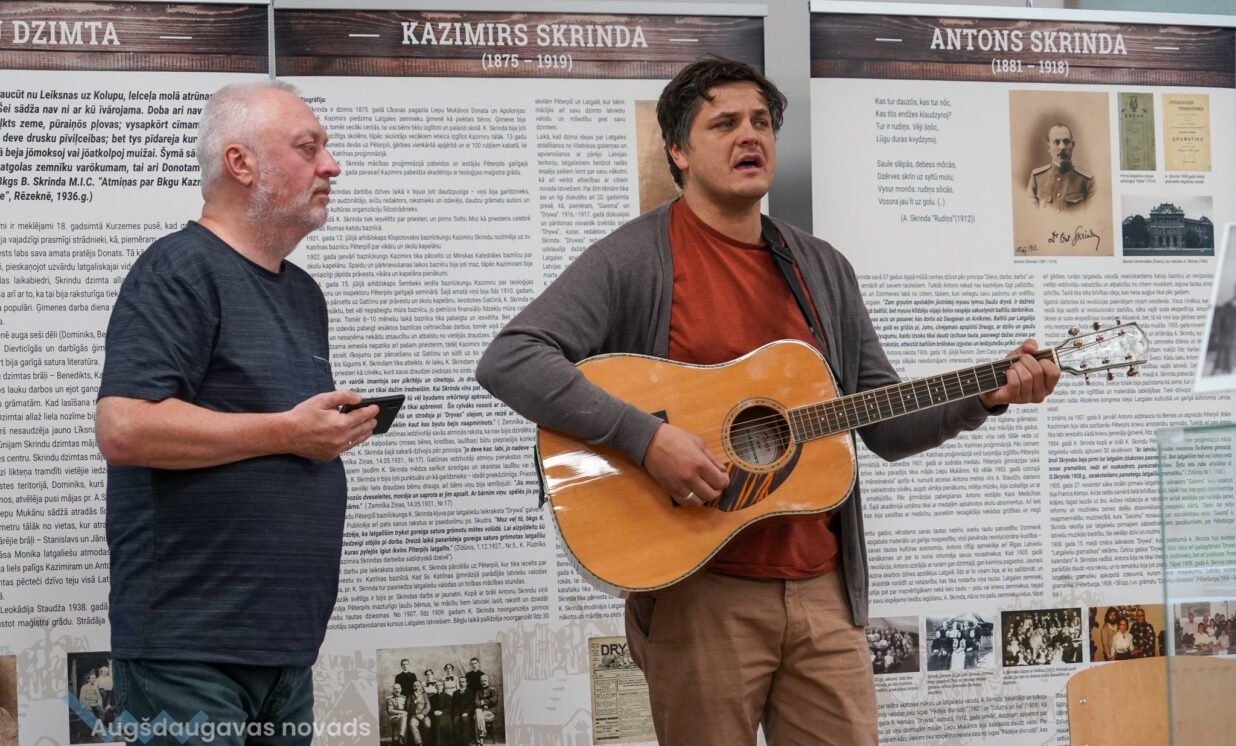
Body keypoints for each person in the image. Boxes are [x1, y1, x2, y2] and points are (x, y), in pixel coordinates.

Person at [475, 58, 1058, 745]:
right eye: (724, 124)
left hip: (823, 591)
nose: (749, 136)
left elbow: (882, 422)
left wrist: (982, 397)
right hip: (700, 593)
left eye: (760, 122)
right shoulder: (634, 259)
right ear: (679, 152)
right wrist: (647, 439)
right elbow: (512, 358)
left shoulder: (821, 268)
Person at [95, 79, 377, 741]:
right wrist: (289, 432)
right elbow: (125, 427)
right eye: (308, 148)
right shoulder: (178, 269)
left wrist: (315, 433)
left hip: (282, 654)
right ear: (240, 163)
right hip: (189, 655)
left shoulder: (302, 292)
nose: (331, 166)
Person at [1028, 122, 1094, 211]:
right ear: (1049, 147)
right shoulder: (1037, 178)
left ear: (1073, 145)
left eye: (1066, 142)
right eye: (1057, 142)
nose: (1062, 147)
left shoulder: (1087, 181)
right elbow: (1031, 214)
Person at [387, 682, 410, 746]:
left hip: (404, 718)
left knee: (404, 718)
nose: (397, 690)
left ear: (401, 689)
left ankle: (401, 738)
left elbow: (408, 708)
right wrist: (402, 712)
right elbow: (390, 711)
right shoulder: (389, 699)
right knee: (403, 717)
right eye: (395, 689)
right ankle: (401, 737)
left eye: (398, 688)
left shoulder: (405, 698)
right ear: (393, 690)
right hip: (394, 718)